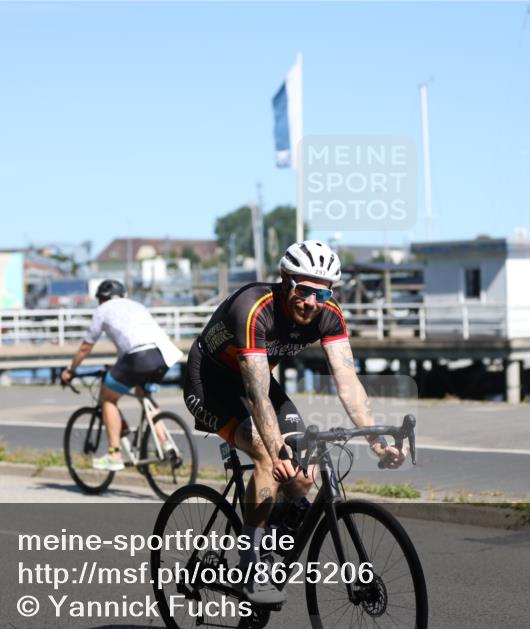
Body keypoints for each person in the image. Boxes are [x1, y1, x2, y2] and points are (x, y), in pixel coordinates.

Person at [184, 240, 405, 604]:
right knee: (268, 456)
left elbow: (348, 383)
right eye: (303, 290)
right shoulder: (254, 308)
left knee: (303, 469)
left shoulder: (328, 314)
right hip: (210, 384)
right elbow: (256, 394)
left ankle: (272, 529)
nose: (312, 301)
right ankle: (249, 563)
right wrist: (275, 450)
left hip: (256, 380)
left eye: (322, 292)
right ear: (284, 280)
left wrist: (376, 441)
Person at [61, 279, 183, 471]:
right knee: (144, 396)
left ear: (102, 299)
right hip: (164, 354)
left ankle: (114, 455)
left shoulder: (103, 310)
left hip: (139, 356)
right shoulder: (137, 305)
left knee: (108, 398)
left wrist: (71, 370)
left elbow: (86, 347)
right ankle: (166, 444)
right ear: (123, 295)